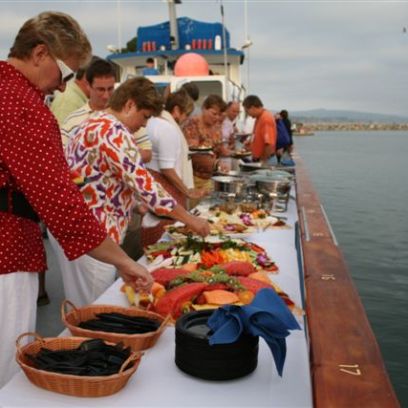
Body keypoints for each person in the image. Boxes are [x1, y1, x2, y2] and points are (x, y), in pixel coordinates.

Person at [0, 11, 153, 389]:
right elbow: (60, 204)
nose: (65, 86)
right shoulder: (22, 103)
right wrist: (124, 262)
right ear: (39, 54)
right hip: (7, 248)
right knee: (7, 370)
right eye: (66, 74)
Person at [49, 77, 210, 307]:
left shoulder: (93, 122)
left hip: (78, 229)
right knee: (95, 310)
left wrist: (133, 203)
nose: (144, 126)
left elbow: (94, 179)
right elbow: (148, 188)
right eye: (144, 117)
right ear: (130, 105)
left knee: (83, 303)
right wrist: (190, 219)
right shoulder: (114, 132)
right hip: (93, 234)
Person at [142, 90, 207, 246]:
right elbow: (167, 169)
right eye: (186, 114)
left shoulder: (152, 122)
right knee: (164, 246)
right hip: (166, 197)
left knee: (151, 247)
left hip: (153, 200)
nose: (185, 120)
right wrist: (188, 191)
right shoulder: (167, 128)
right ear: (177, 110)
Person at [61, 58, 152, 163]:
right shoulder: (72, 121)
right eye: (100, 89)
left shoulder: (127, 115)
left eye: (110, 89)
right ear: (88, 86)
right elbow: (64, 157)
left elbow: (147, 153)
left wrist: (115, 157)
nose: (106, 95)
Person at [182, 94, 228, 200]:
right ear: (204, 109)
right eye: (214, 114)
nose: (216, 118)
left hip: (211, 178)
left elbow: (218, 149)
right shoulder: (192, 124)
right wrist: (216, 164)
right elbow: (194, 155)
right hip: (194, 179)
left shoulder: (216, 127)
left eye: (219, 115)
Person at [242, 95, 277, 164]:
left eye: (247, 111)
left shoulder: (265, 119)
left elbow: (269, 144)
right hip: (260, 159)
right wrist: (251, 144)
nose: (247, 114)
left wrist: (263, 161)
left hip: (266, 161)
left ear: (252, 108)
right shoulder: (259, 118)